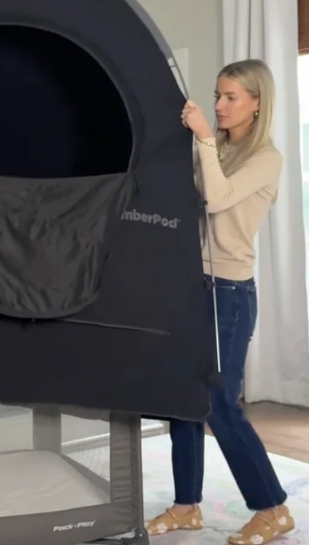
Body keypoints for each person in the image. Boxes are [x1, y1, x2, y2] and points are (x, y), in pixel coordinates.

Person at [145, 58, 295, 545]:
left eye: (231, 97)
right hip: (192, 285)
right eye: (217, 95)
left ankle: (272, 509)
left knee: (219, 404)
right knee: (182, 399)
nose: (220, 105)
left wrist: (204, 140)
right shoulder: (219, 150)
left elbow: (216, 199)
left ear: (257, 103)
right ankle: (186, 506)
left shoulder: (265, 158)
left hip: (229, 294)